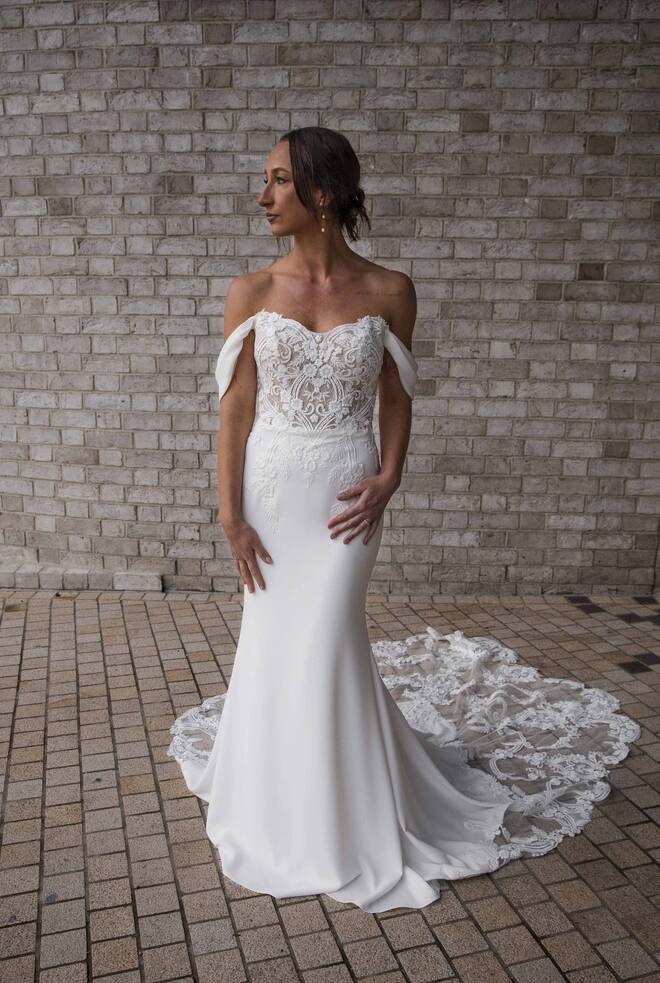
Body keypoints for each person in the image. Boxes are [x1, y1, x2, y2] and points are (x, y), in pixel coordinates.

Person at [168, 126, 641, 913]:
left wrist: (391, 474)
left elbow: (395, 395)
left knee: (328, 636)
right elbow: (237, 408)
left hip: (349, 494)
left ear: (324, 193)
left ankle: (348, 813)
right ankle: (276, 792)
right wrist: (229, 515)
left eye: (278, 180)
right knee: (277, 639)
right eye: (265, 180)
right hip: (273, 492)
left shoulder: (391, 290)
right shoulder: (249, 291)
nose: (262, 196)